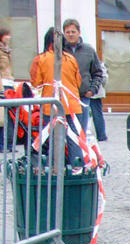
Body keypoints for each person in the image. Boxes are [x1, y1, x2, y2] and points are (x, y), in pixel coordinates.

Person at [30, 28, 84, 167]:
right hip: (72, 106)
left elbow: (36, 83)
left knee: (52, 140)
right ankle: (76, 169)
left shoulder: (40, 59)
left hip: (51, 106)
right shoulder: (71, 59)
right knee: (74, 140)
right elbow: (78, 81)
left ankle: (53, 171)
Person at [63, 18, 102, 134]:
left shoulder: (89, 50)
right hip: (65, 97)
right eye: (68, 32)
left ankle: (79, 152)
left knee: (81, 131)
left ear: (79, 33)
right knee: (66, 132)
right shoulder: (60, 50)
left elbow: (98, 72)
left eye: (73, 32)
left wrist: (92, 89)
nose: (70, 35)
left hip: (83, 97)